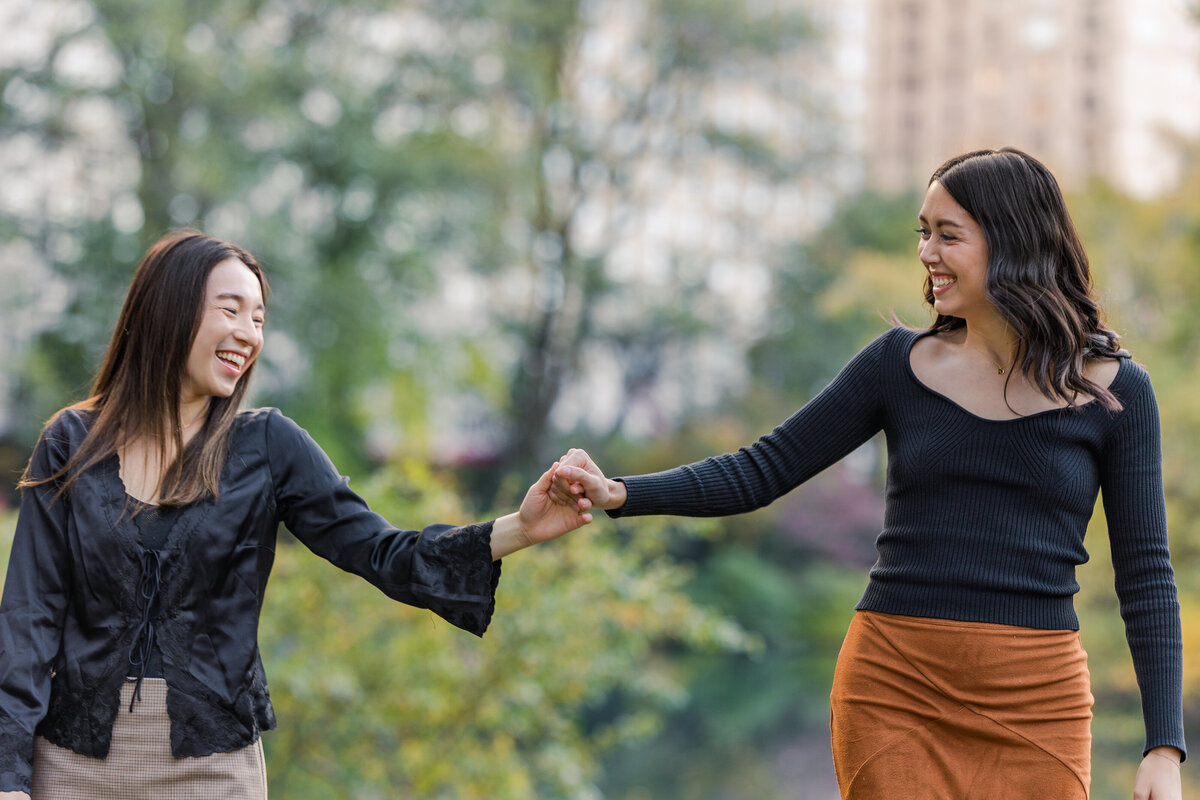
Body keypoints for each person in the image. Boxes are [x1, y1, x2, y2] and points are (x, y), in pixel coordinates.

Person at [550, 148, 1184, 799]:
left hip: (1036, 702)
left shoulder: (1117, 392)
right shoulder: (897, 366)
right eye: (923, 231)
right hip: (895, 688)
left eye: (947, 234)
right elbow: (761, 470)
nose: (926, 252)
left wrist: (1164, 747)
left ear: (1013, 241)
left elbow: (1145, 575)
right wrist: (620, 493)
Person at [0, 231, 593, 799]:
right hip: (70, 766)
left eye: (258, 319)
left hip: (211, 771)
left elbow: (383, 553)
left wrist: (518, 528)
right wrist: (10, 775)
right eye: (230, 310)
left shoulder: (268, 445)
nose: (248, 333)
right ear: (167, 311)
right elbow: (29, 619)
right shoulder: (72, 442)